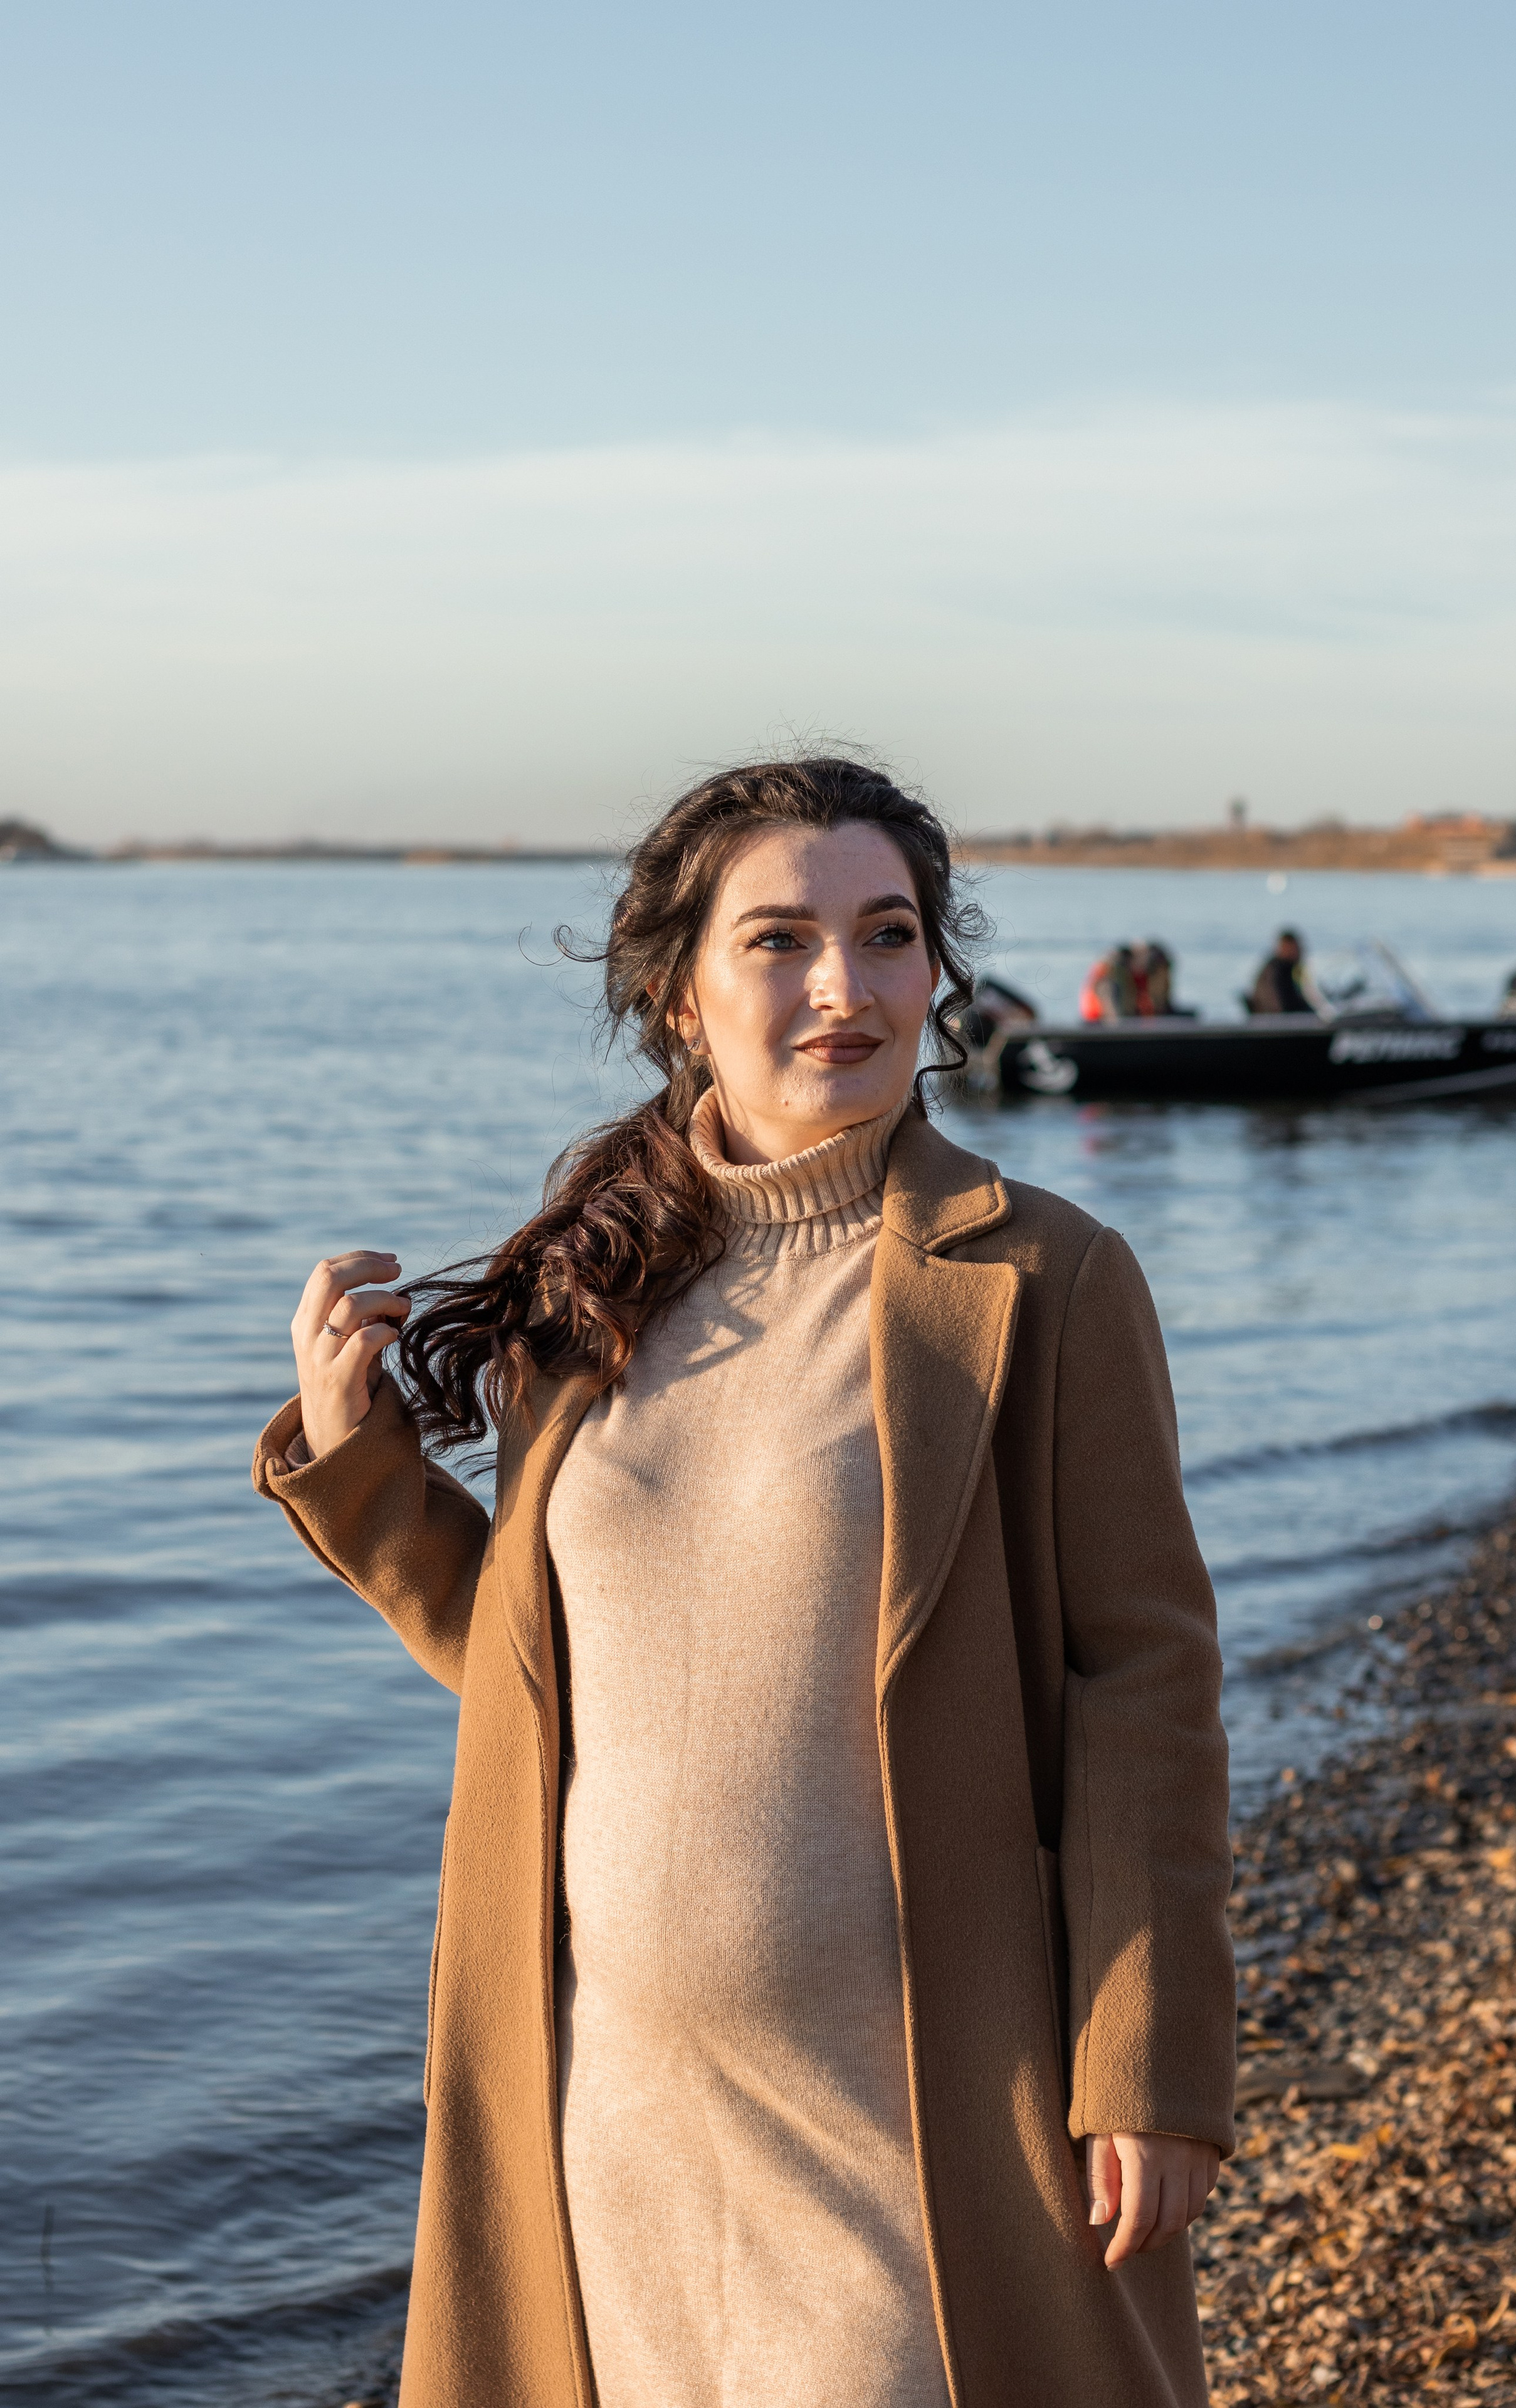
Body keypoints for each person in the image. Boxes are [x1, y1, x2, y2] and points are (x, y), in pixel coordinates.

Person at [253, 757, 1235, 2408]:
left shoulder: (1042, 1275)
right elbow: (546, 1680)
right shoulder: (591, 1279)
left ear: (935, 973)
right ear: (681, 996)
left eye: (888, 933)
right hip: (610, 2111)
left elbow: (1144, 1679)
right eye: (780, 939)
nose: (845, 985)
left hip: (918, 2117)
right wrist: (365, 1474)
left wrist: (1149, 2056)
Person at [1247, 928, 1315, 1016]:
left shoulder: (1290, 969)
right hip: (1274, 1019)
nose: (1299, 952)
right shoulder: (1277, 970)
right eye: (1294, 948)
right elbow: (1279, 1004)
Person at [1080, 942, 1139, 1021]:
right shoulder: (1105, 983)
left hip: (1093, 1021)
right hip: (1098, 1022)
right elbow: (1111, 1013)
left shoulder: (1097, 978)